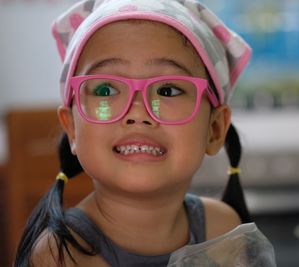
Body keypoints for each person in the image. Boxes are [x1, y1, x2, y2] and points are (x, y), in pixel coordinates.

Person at [15, 0, 276, 266]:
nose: (138, 112)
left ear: (215, 129)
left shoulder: (223, 232)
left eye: (168, 91)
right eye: (106, 90)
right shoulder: (61, 256)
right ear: (72, 129)